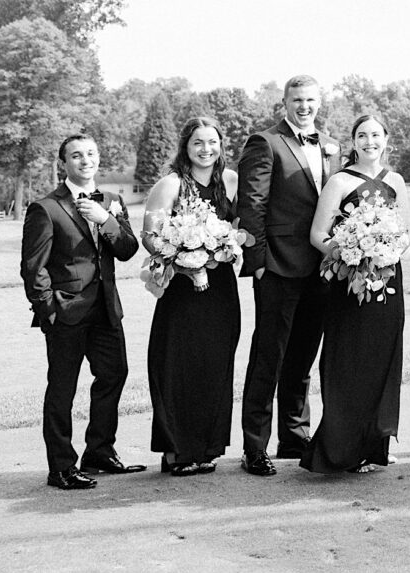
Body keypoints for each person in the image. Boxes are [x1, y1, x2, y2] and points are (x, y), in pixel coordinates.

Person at [20, 133, 146, 489]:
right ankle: (61, 466)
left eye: (90, 153)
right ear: (64, 163)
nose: (85, 160)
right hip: (66, 312)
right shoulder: (45, 208)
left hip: (106, 309)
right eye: (76, 155)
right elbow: (33, 267)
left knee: (114, 374)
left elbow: (126, 250)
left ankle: (100, 452)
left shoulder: (112, 200)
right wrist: (49, 310)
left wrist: (107, 219)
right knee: (62, 388)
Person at [237, 75, 338, 476]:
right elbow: (252, 204)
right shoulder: (265, 142)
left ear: (319, 102)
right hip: (278, 265)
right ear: (284, 102)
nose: (304, 106)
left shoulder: (332, 146)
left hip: (322, 269)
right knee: (269, 356)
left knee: (302, 357)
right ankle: (254, 447)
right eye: (297, 99)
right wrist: (258, 260)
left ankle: (294, 436)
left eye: (310, 99)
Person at [302, 114, 408, 474]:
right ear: (353, 141)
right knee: (349, 362)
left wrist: (387, 252)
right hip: (349, 285)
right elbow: (318, 235)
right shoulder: (340, 181)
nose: (369, 141)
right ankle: (342, 446)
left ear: (386, 139)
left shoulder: (396, 181)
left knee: (382, 360)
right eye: (362, 135)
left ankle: (373, 443)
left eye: (375, 135)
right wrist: (352, 252)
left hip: (389, 283)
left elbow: (405, 232)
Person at [143, 117, 246, 476]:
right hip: (182, 291)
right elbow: (151, 237)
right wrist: (185, 259)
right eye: (197, 143)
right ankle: (177, 451)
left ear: (221, 144)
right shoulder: (170, 184)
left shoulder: (231, 181)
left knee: (214, 365)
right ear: (185, 147)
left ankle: (207, 448)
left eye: (212, 142)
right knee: (178, 366)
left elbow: (242, 228)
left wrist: (230, 248)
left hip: (221, 290)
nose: (206, 149)